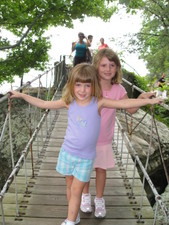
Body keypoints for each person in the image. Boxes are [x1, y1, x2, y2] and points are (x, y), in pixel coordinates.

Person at [9, 63, 163, 225]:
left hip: (85, 158)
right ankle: (74, 215)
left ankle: (70, 221)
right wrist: (22, 95)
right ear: (72, 85)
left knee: (76, 190)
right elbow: (44, 104)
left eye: (87, 85)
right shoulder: (69, 102)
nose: (82, 90)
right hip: (67, 153)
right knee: (69, 187)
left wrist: (147, 102)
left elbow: (124, 104)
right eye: (78, 85)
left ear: (94, 86)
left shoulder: (99, 102)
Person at [80, 48, 158, 218]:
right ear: (96, 67)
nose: (108, 69)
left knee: (101, 169)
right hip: (86, 137)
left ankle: (99, 199)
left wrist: (142, 98)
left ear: (117, 68)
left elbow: (130, 109)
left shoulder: (119, 90)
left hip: (104, 139)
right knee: (85, 169)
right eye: (103, 65)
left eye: (112, 65)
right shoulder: (89, 86)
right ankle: (85, 196)